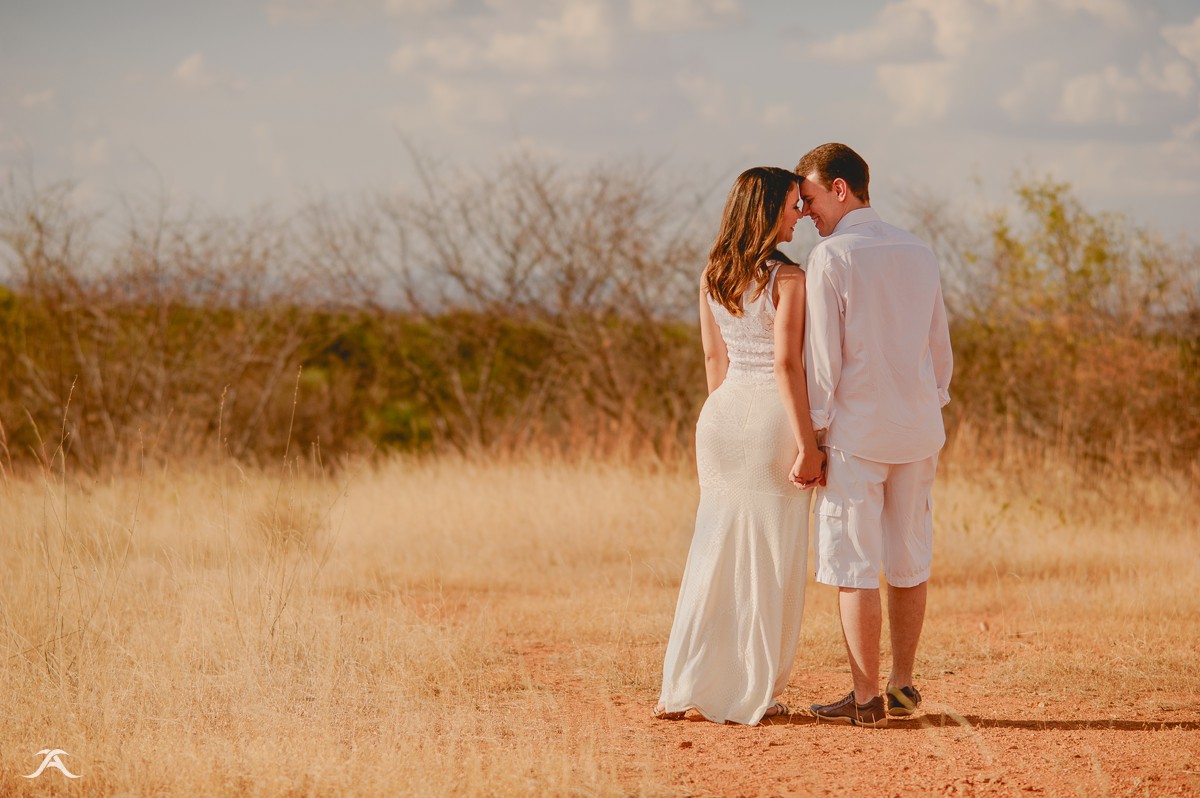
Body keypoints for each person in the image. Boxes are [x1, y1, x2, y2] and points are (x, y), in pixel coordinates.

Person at [654, 166, 826, 726]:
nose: (800, 213)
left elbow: (713, 360)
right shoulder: (791, 279)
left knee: (713, 545)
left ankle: (685, 681)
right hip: (771, 420)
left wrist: (722, 415)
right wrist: (808, 444)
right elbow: (785, 364)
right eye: (792, 205)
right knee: (770, 554)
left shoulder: (712, 274)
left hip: (721, 415)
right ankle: (755, 688)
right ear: (767, 211)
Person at [796, 143, 953, 728]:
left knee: (853, 561)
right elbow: (940, 351)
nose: (807, 212)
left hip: (856, 435)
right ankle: (904, 687)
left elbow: (823, 363)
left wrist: (813, 437)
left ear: (840, 188)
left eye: (809, 198)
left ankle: (866, 700)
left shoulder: (831, 257)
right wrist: (925, 405)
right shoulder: (919, 250)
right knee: (910, 555)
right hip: (918, 431)